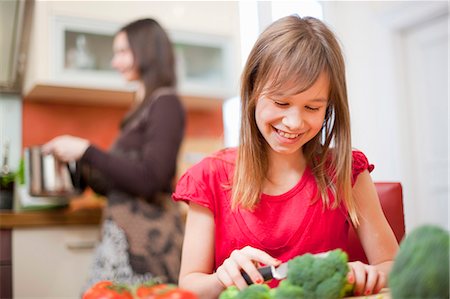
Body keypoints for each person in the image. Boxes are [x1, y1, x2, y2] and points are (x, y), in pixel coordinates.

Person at [172, 15, 399, 299]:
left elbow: (393, 267)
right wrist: (221, 278)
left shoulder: (345, 172)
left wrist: (360, 274)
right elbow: (188, 286)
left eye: (312, 108)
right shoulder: (209, 177)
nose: (293, 122)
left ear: (329, 108)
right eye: (281, 102)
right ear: (253, 90)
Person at [43, 18, 185, 286]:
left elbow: (150, 179)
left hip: (147, 249)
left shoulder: (166, 103)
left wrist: (86, 150)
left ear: (145, 51)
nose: (114, 62)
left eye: (122, 52)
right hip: (122, 242)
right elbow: (122, 183)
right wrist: (81, 166)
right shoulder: (140, 109)